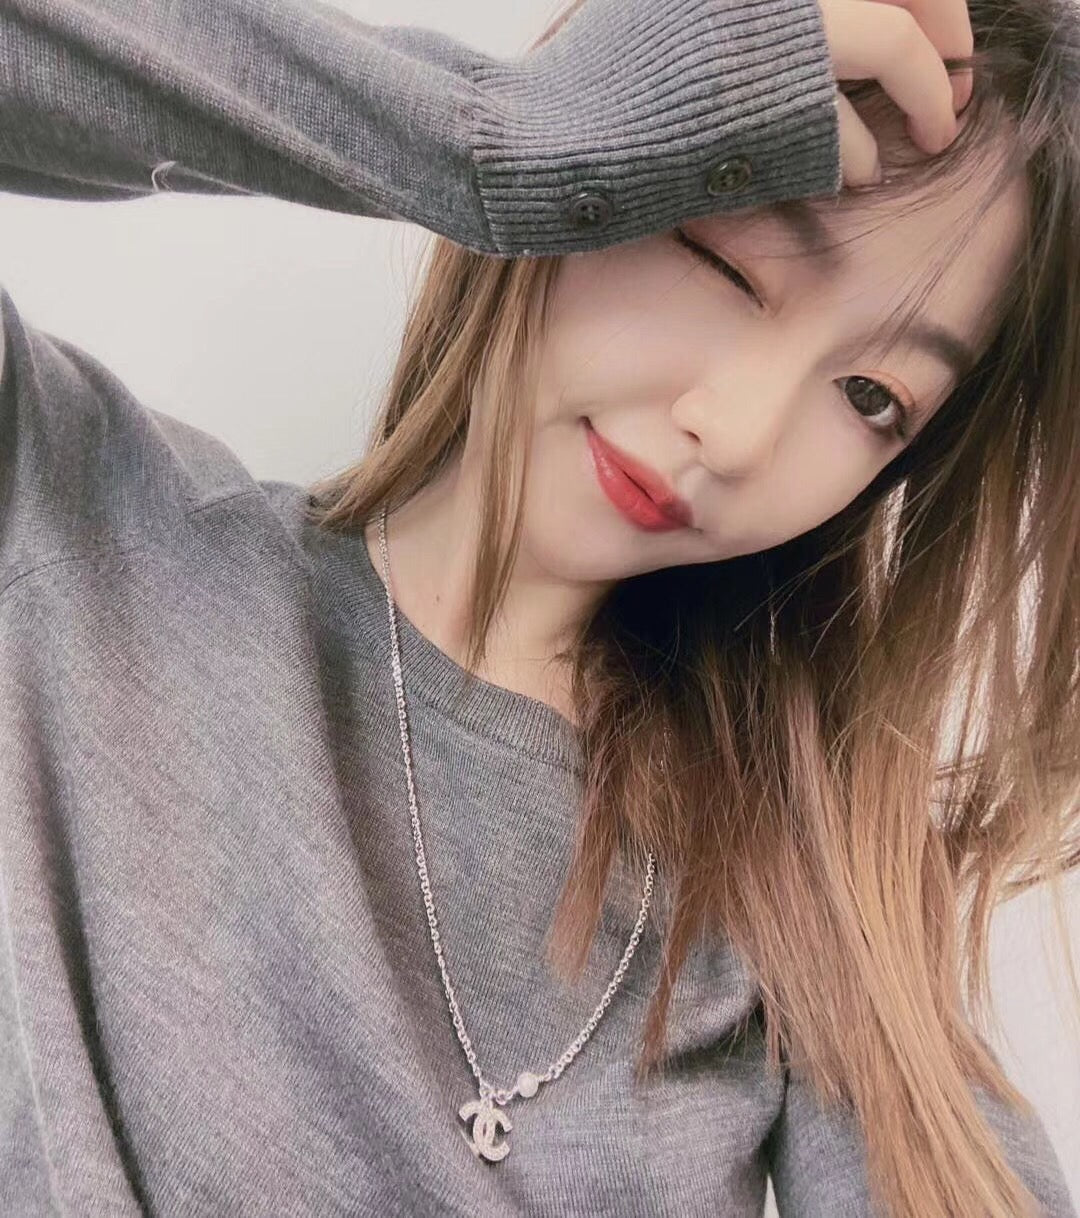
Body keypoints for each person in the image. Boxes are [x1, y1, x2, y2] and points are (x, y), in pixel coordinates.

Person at [0, 0, 1075, 1215]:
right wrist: (492, 133)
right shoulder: (77, 521)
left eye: (874, 396)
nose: (737, 432)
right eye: (728, 262)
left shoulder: (806, 893)